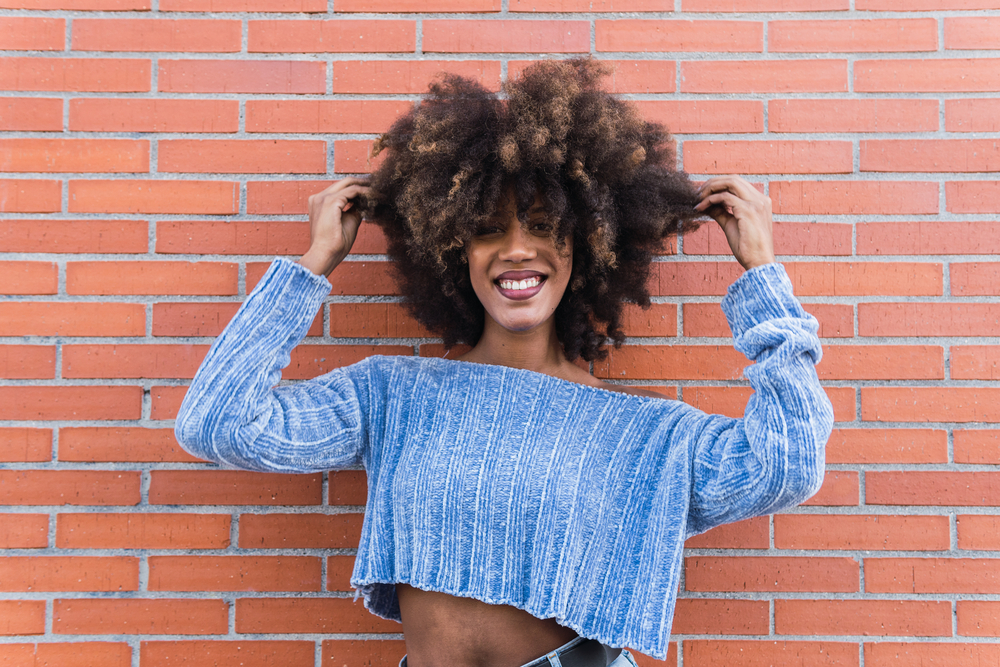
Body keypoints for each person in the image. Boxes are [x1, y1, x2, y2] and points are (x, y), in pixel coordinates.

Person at [175, 58, 833, 667]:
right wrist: (314, 263)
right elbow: (218, 422)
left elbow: (788, 462)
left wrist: (762, 277)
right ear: (454, 249)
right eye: (489, 228)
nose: (518, 249)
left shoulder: (647, 436)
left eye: (546, 227)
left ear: (588, 249)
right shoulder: (393, 395)